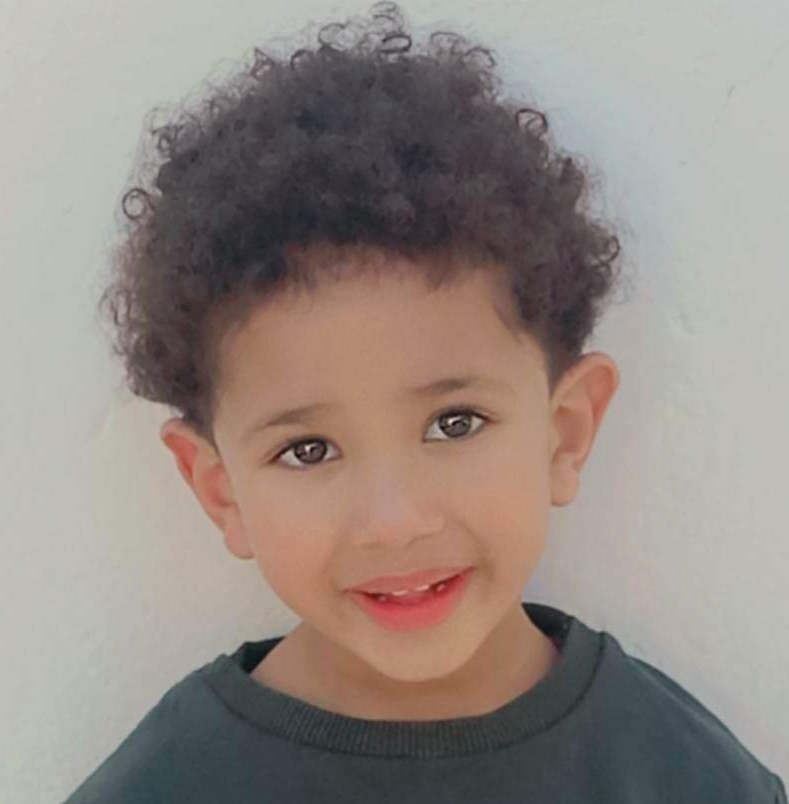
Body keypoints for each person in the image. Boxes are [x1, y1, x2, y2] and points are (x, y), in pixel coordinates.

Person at [63, 2, 786, 801]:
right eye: (307, 449)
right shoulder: (166, 787)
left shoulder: (674, 773)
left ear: (563, 432)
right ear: (219, 490)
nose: (395, 521)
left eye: (454, 423)